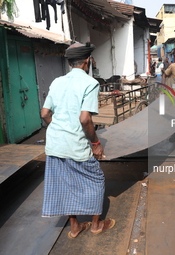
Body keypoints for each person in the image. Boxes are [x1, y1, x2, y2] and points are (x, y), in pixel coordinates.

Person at [41, 42, 115, 239]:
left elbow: (45, 113)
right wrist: (96, 144)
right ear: (87, 61)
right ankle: (96, 224)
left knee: (65, 184)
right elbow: (85, 119)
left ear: (69, 62)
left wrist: (59, 130)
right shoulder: (90, 83)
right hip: (75, 145)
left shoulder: (56, 81)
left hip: (55, 144)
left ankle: (75, 227)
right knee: (96, 180)